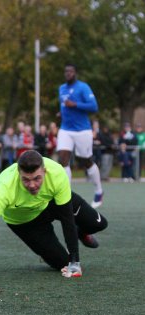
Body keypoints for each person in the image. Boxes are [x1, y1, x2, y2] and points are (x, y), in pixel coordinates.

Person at [0, 150, 108, 282]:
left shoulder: (56, 173)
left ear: (44, 171)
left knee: (98, 224)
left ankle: (81, 232)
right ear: (19, 173)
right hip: (26, 222)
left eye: (37, 178)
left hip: (50, 204)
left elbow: (67, 218)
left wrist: (75, 262)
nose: (32, 185)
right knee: (62, 263)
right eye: (26, 179)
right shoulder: (5, 186)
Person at [57, 64, 103, 208]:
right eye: (66, 71)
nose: (68, 73)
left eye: (70, 71)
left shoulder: (83, 87)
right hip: (65, 129)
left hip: (82, 130)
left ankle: (99, 190)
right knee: (63, 159)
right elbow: (64, 105)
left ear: (75, 73)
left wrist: (75, 105)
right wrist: (61, 113)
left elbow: (94, 107)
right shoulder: (61, 88)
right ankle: (66, 195)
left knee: (86, 160)